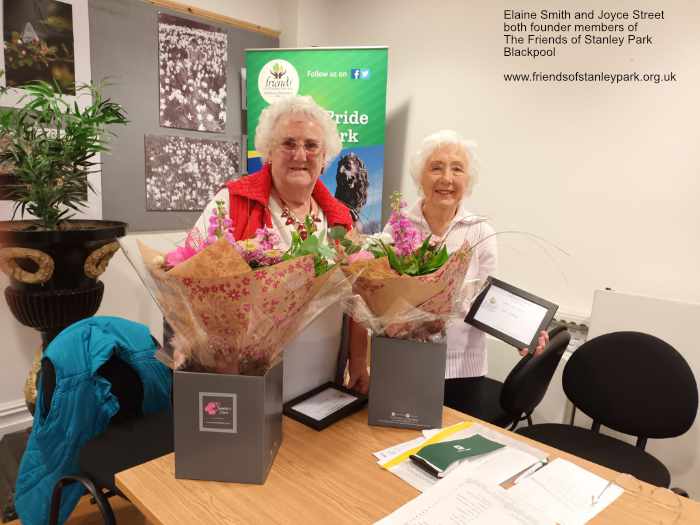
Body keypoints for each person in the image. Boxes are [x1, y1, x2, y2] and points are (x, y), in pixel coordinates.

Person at [195, 95, 370, 397]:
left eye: (311, 145)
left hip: (324, 371)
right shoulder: (232, 203)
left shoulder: (340, 219)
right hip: (251, 374)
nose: (300, 154)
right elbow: (194, 283)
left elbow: (357, 296)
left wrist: (358, 359)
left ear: (325, 155)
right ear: (269, 153)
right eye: (288, 143)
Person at [388, 130, 547, 410]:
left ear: (468, 180)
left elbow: (486, 299)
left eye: (457, 169)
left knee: (451, 447)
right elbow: (384, 295)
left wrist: (524, 333)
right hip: (406, 359)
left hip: (463, 368)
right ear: (420, 177)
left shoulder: (480, 231)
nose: (446, 178)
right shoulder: (398, 228)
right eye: (436, 167)